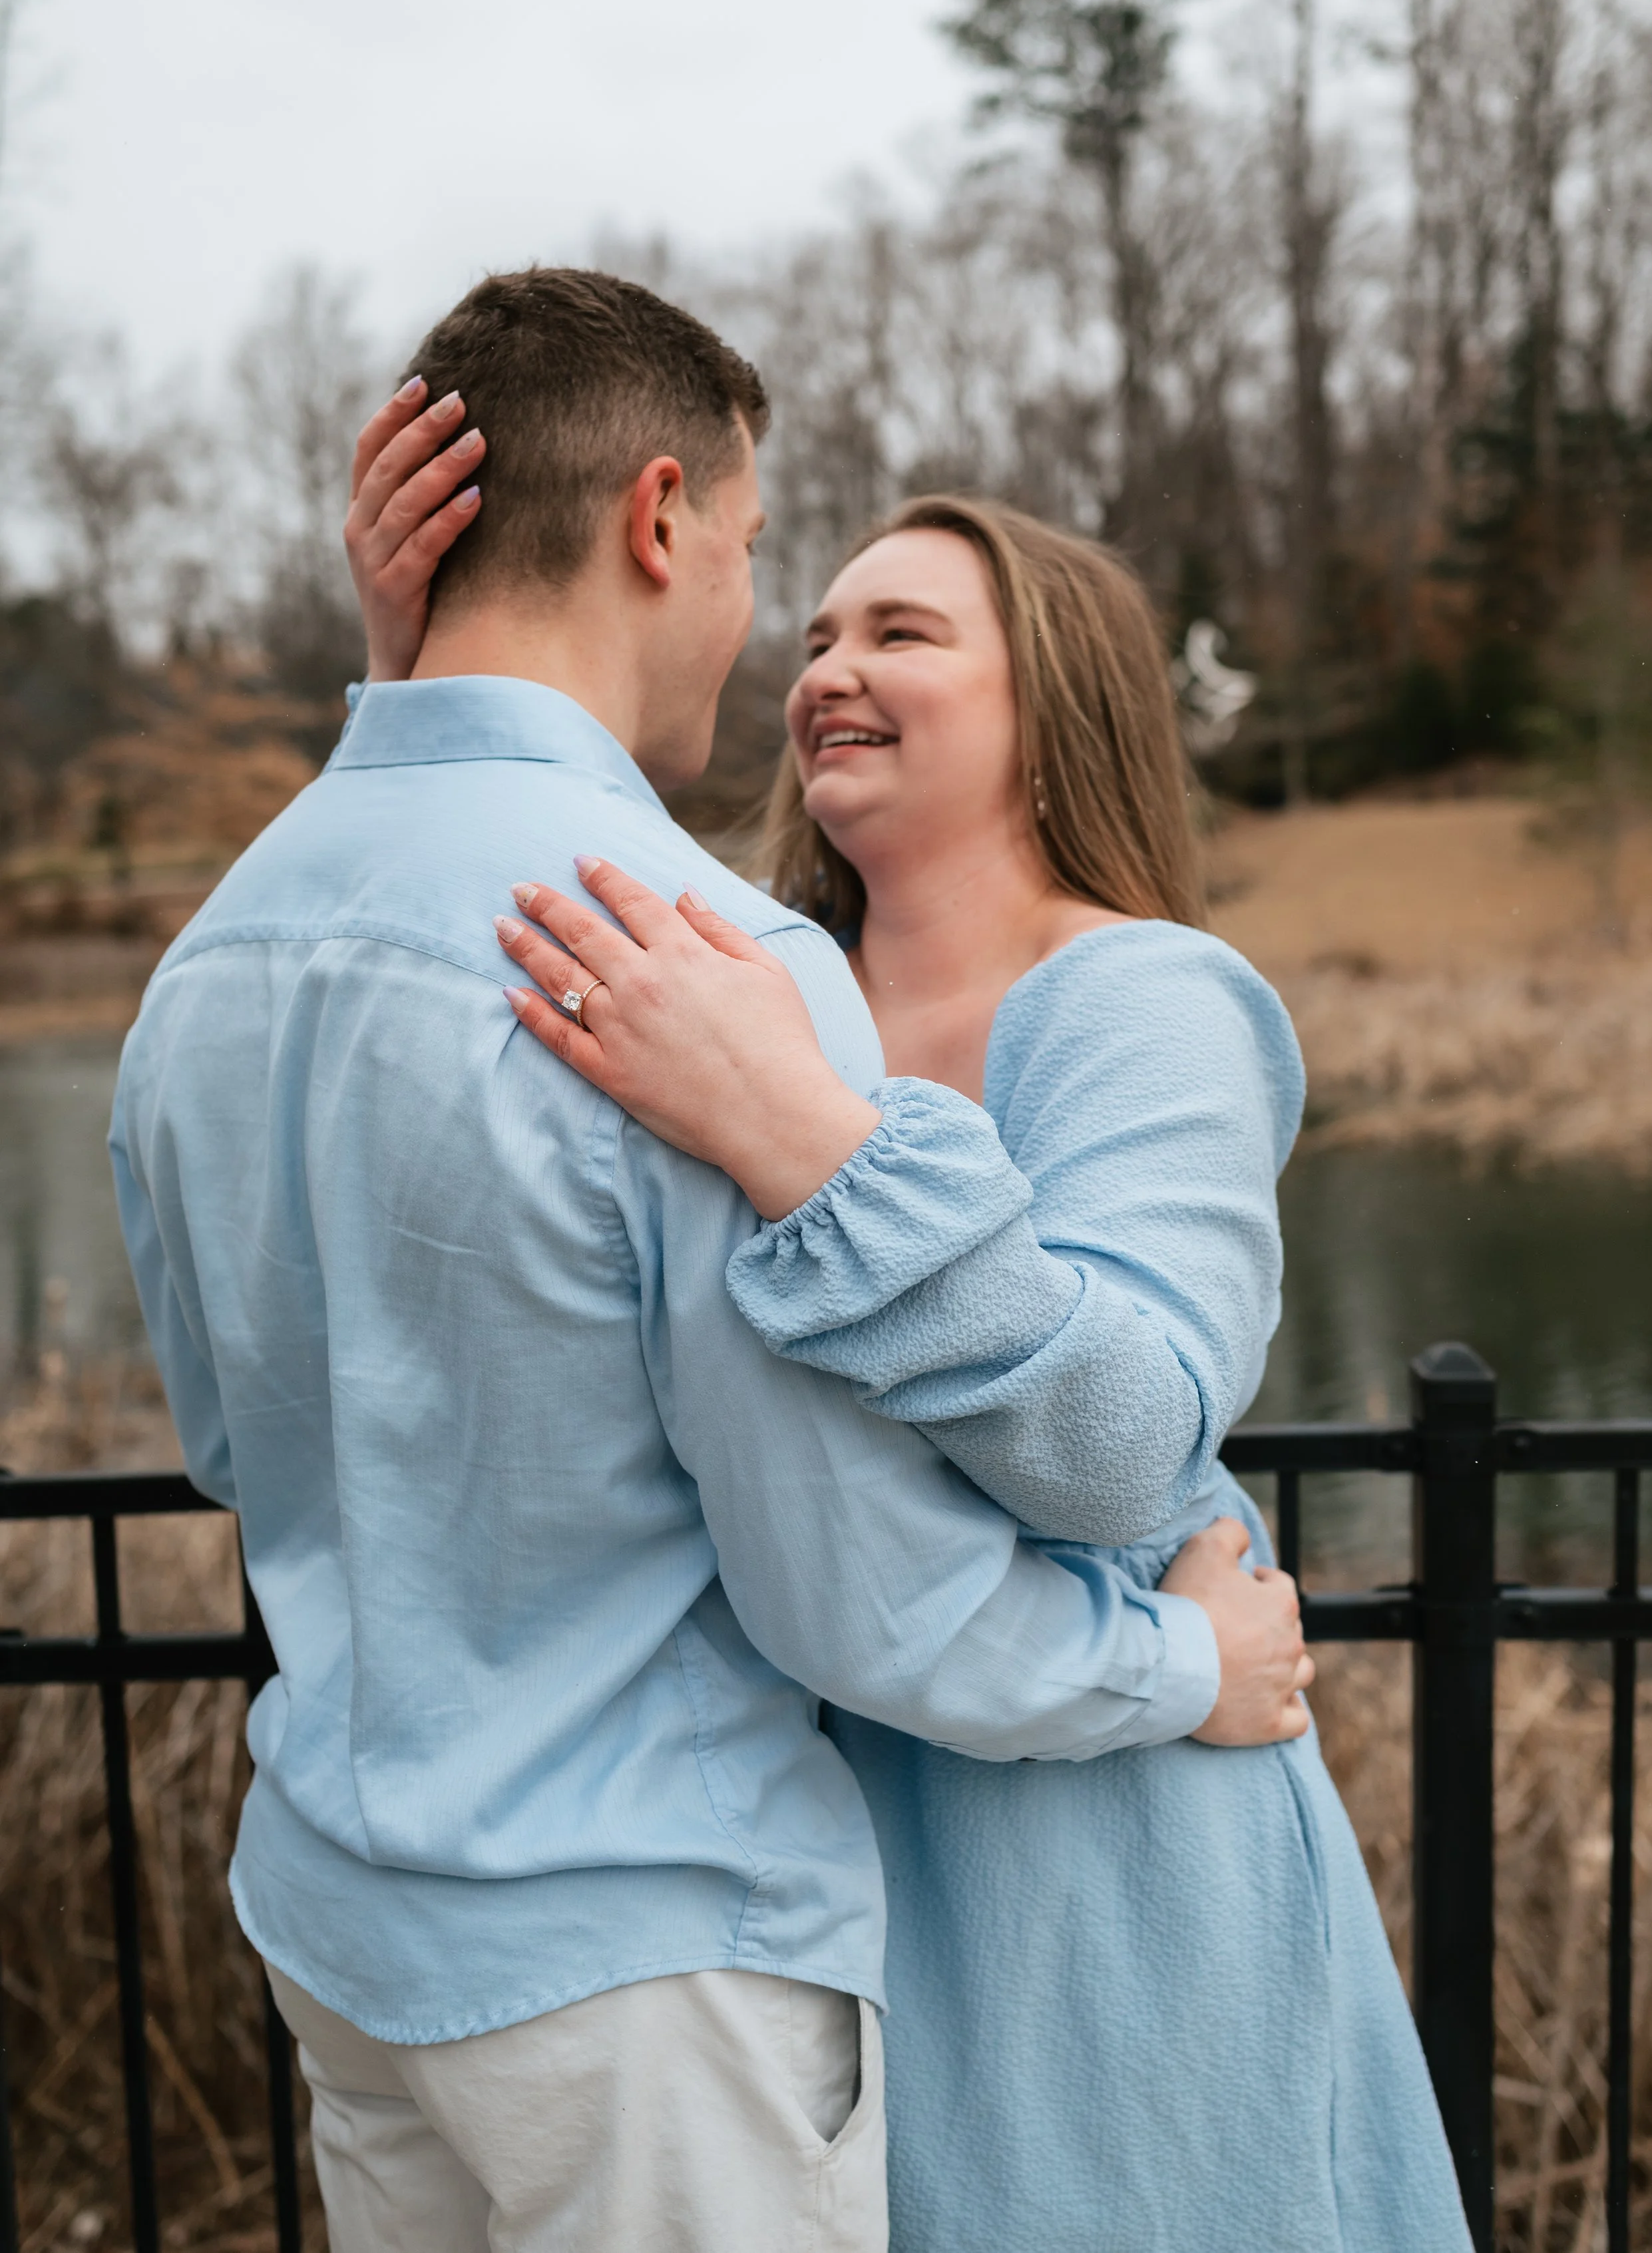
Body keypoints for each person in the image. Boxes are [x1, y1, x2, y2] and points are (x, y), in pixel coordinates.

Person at [112, 268, 1311, 2253]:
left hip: (351, 1914)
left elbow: (247, 1441)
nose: (786, 649)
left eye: (893, 628)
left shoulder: (217, 950)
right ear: (662, 519)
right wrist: (1179, 1657)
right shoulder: (696, 964)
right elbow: (853, 1592)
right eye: (774, 573)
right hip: (639, 1954)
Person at [353, 410, 1473, 2249]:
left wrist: (799, 1140)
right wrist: (426, 666)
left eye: (903, 635)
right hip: (752, 1857)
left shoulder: (1140, 1002)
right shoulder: (726, 970)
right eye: (814, 634)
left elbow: (1126, 1443)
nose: (830, 669)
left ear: (1057, 707)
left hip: (1078, 1868)